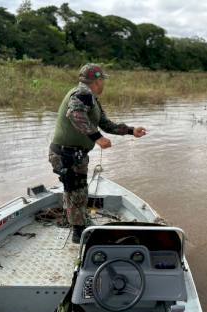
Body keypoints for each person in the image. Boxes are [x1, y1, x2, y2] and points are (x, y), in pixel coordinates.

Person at [48, 63, 146, 243]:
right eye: (103, 81)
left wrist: (132, 130)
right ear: (98, 80)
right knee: (76, 191)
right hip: (67, 154)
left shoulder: (90, 98)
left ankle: (77, 221)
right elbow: (75, 114)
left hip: (71, 153)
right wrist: (97, 138)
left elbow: (106, 124)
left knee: (76, 190)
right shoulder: (83, 94)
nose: (104, 84)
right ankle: (79, 234)